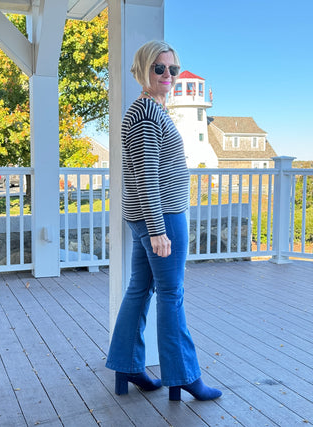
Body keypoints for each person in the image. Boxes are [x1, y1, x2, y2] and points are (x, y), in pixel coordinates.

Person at [106, 40, 222, 402]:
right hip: (163, 218)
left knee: (140, 289)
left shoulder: (150, 110)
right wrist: (157, 230)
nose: (168, 75)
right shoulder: (145, 115)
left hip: (149, 217)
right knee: (171, 295)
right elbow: (145, 175)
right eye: (159, 69)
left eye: (172, 69)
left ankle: (127, 365)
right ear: (143, 70)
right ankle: (184, 376)